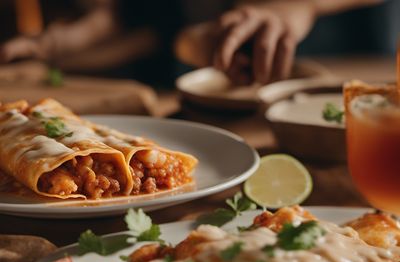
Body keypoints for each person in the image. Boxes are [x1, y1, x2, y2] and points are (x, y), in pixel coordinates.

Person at [0, 0, 396, 85]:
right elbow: (156, 22)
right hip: (226, 96)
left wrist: (300, 5)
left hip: (351, 52)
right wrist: (56, 45)